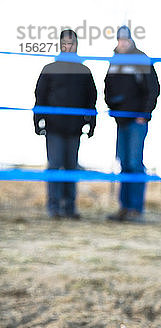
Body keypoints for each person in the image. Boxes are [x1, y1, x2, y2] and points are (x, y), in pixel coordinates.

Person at [34, 29, 97, 219]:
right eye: (65, 43)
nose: (68, 46)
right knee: (54, 166)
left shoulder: (84, 71)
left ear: (77, 44)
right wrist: (38, 122)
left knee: (71, 168)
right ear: (60, 44)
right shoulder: (50, 69)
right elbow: (40, 96)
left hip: (74, 129)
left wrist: (91, 124)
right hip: (53, 127)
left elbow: (91, 100)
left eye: (72, 43)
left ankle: (69, 207)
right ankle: (53, 208)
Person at [104, 26, 160, 222]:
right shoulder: (114, 61)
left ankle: (135, 209)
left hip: (137, 120)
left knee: (135, 163)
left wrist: (144, 114)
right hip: (121, 120)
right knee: (124, 163)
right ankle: (124, 208)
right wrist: (111, 105)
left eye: (126, 39)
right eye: (120, 39)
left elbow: (153, 89)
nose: (123, 42)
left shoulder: (141, 59)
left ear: (131, 40)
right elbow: (107, 87)